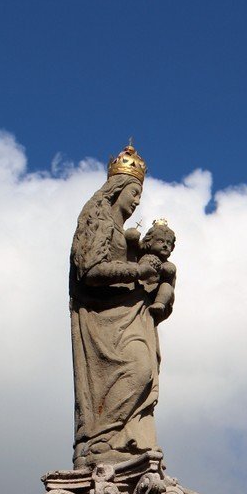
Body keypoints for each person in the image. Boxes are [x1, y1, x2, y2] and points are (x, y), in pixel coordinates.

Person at [69, 145, 172, 468]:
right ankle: (101, 442)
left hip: (133, 317)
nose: (138, 200)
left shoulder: (125, 235)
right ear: (117, 190)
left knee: (144, 374)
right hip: (106, 321)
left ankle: (124, 440)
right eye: (134, 192)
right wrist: (137, 271)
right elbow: (90, 270)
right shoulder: (98, 221)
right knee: (138, 371)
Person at [136, 219, 177, 325]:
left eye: (169, 243)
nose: (165, 245)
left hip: (155, 295)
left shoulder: (167, 264)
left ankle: (159, 304)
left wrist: (160, 268)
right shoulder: (141, 254)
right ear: (149, 241)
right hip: (138, 288)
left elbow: (170, 270)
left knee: (166, 286)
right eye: (160, 241)